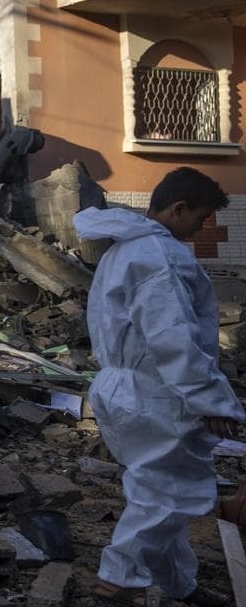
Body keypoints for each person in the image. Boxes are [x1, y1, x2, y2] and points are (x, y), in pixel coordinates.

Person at [74, 167, 243, 607]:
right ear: (178, 209)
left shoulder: (125, 250)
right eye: (202, 218)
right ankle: (117, 582)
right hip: (154, 394)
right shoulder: (157, 256)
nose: (202, 228)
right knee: (169, 497)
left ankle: (179, 584)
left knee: (158, 492)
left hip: (123, 387)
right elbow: (173, 335)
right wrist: (212, 401)